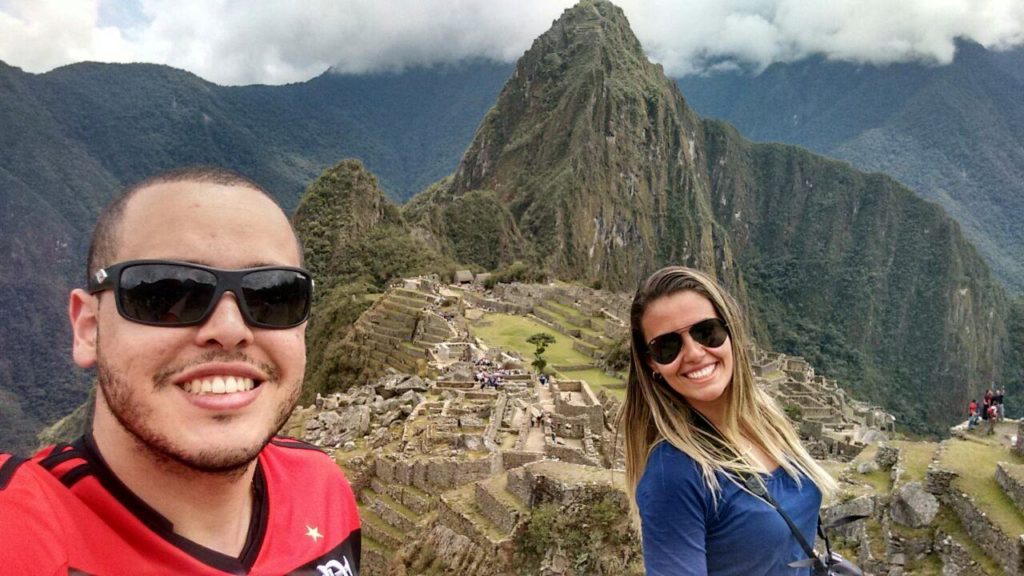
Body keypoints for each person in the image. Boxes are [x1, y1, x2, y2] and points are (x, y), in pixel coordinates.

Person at [0, 168, 361, 574]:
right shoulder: (25, 529)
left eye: (272, 296)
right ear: (88, 328)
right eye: (168, 294)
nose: (230, 330)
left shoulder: (323, 490)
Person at [619, 266, 836, 575]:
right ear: (652, 364)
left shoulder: (765, 420)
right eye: (667, 346)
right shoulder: (675, 475)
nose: (694, 353)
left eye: (706, 332)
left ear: (730, 331)